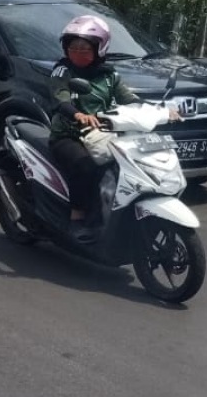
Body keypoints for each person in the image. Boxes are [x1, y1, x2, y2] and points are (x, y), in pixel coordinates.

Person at [47, 15, 141, 243]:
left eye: (84, 49)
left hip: (102, 134)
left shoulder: (109, 75)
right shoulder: (63, 71)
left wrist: (160, 112)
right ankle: (77, 216)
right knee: (86, 167)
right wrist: (77, 114)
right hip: (68, 136)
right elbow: (60, 97)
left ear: (100, 49)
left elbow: (129, 99)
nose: (78, 53)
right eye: (73, 48)